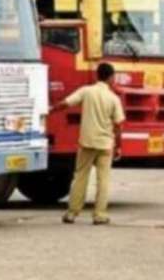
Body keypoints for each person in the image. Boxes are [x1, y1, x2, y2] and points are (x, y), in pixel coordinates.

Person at [53, 63, 125, 225]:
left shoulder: (86, 91)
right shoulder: (113, 98)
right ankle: (99, 215)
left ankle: (72, 213)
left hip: (86, 142)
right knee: (103, 180)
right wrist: (119, 146)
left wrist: (51, 109)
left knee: (80, 177)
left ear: (96, 76)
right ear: (111, 78)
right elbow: (119, 125)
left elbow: (66, 103)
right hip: (106, 144)